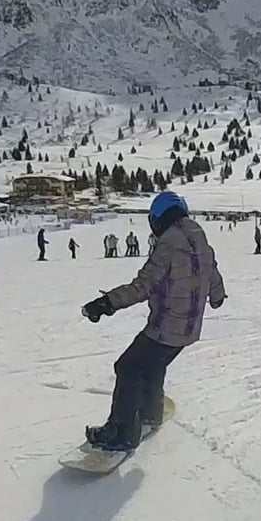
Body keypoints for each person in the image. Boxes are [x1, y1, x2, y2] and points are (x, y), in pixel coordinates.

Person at [81, 191, 227, 452]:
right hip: (189, 329)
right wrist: (217, 297)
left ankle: (120, 432)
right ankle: (150, 412)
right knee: (153, 363)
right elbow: (213, 272)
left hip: (167, 327)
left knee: (128, 367)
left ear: (157, 220)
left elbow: (143, 286)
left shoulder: (168, 244)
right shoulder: (199, 238)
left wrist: (107, 303)